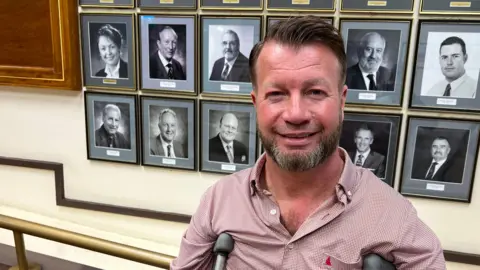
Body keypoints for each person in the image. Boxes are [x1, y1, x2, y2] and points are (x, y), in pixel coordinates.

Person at [171, 16, 445, 269]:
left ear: (342, 101)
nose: (296, 114)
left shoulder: (391, 216)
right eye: (276, 93)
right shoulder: (220, 201)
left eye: (315, 92)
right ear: (256, 104)